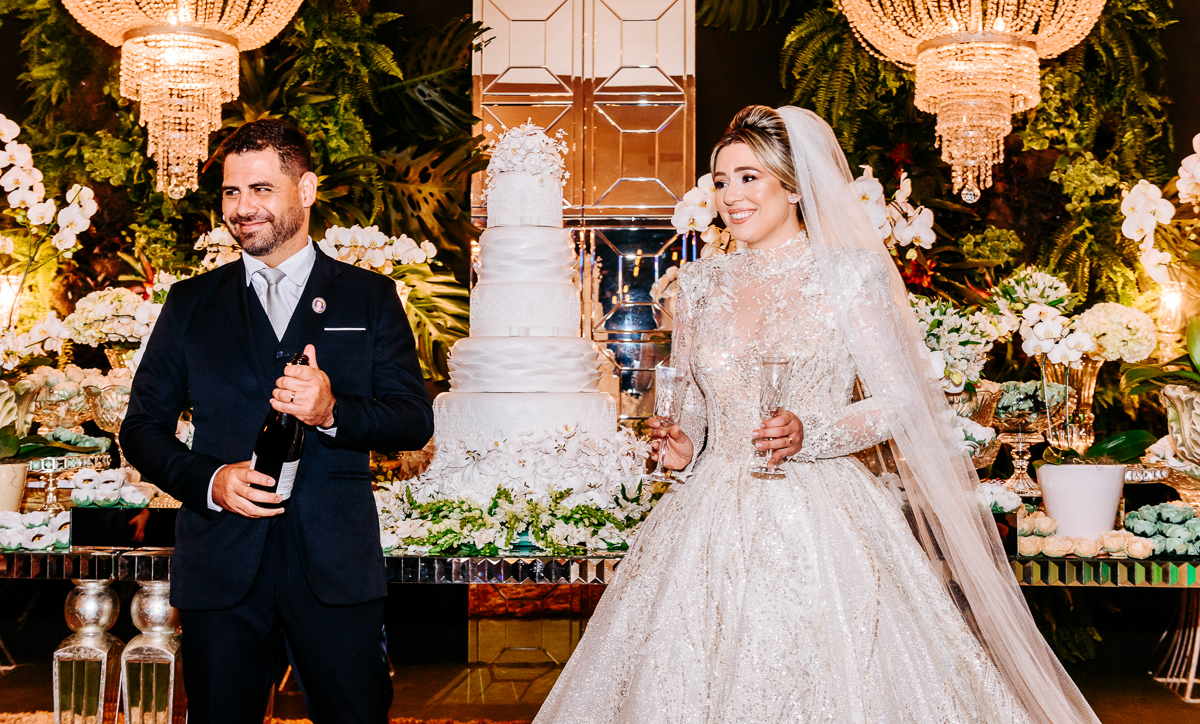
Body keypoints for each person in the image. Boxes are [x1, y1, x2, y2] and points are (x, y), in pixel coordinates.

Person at [532, 106, 1100, 724]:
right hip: (709, 511)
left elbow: (898, 400)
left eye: (749, 177)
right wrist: (679, 445)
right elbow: (693, 405)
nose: (730, 196)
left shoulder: (849, 276)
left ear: (795, 184)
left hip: (821, 511)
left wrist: (811, 432)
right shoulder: (697, 285)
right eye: (720, 181)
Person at [122, 118, 434, 724]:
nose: (243, 209)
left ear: (307, 189)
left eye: (261, 189)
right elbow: (141, 427)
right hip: (221, 568)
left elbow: (411, 420)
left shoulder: (369, 298)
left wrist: (332, 411)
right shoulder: (191, 303)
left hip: (335, 567)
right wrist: (210, 481)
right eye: (232, 193)